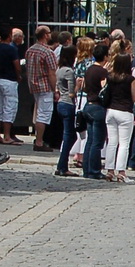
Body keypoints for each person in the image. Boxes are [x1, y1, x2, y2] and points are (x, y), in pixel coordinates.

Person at [99, 54, 135, 183]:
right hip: (125, 111)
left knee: (112, 142)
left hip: (111, 111)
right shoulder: (130, 79)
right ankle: (121, 171)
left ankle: (109, 170)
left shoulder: (110, 77)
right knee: (124, 144)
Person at [23, 26, 58, 150]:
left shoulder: (30, 50)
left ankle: (38, 138)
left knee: (39, 113)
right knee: (43, 115)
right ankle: (39, 142)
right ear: (45, 35)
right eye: (49, 33)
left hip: (34, 85)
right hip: (45, 86)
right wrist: (55, 90)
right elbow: (52, 73)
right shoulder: (48, 52)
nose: (50, 34)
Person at [80, 42, 110, 180]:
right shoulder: (102, 72)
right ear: (105, 56)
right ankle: (94, 170)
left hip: (88, 104)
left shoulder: (89, 69)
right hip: (98, 107)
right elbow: (104, 90)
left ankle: (86, 169)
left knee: (90, 141)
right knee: (97, 142)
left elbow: (85, 87)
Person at [52, 46, 78, 177]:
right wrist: (79, 85)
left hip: (60, 103)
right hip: (68, 103)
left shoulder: (59, 70)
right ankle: (62, 165)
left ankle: (61, 165)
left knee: (69, 136)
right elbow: (72, 93)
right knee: (69, 136)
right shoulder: (69, 71)